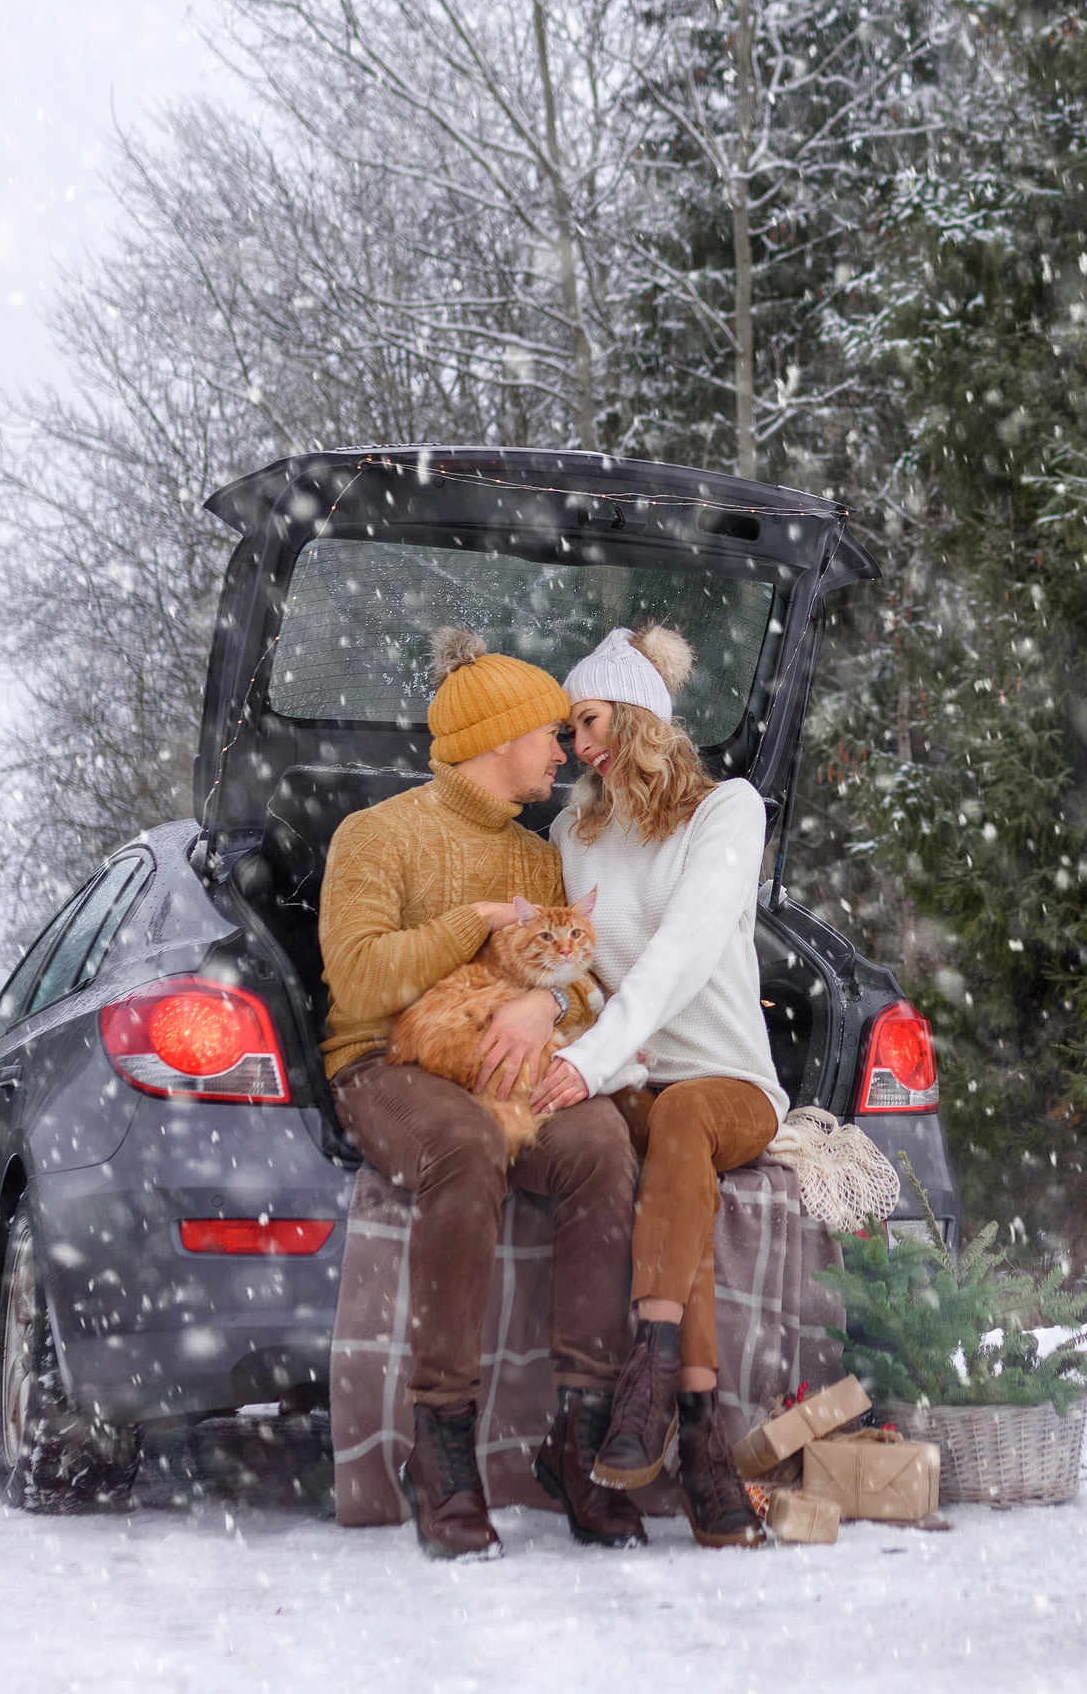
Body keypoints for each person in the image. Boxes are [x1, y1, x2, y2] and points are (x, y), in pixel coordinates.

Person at [318, 627, 646, 1562]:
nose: (563, 749)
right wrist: (473, 922)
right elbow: (361, 981)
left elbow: (577, 976)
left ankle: (579, 1441)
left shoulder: (543, 858)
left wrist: (545, 1005)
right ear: (500, 736)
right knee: (464, 1143)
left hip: (503, 1050)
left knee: (597, 1146)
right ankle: (444, 1449)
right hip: (389, 1063)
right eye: (550, 731)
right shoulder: (376, 834)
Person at [525, 623, 787, 1549]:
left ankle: (654, 1376)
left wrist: (587, 1062)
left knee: (683, 1120)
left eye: (588, 718)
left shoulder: (728, 811)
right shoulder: (572, 832)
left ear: (636, 715)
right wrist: (555, 1033)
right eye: (566, 727)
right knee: (676, 1186)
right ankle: (702, 1437)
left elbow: (678, 957)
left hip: (729, 1084)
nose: (575, 744)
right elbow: (575, 969)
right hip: (633, 1079)